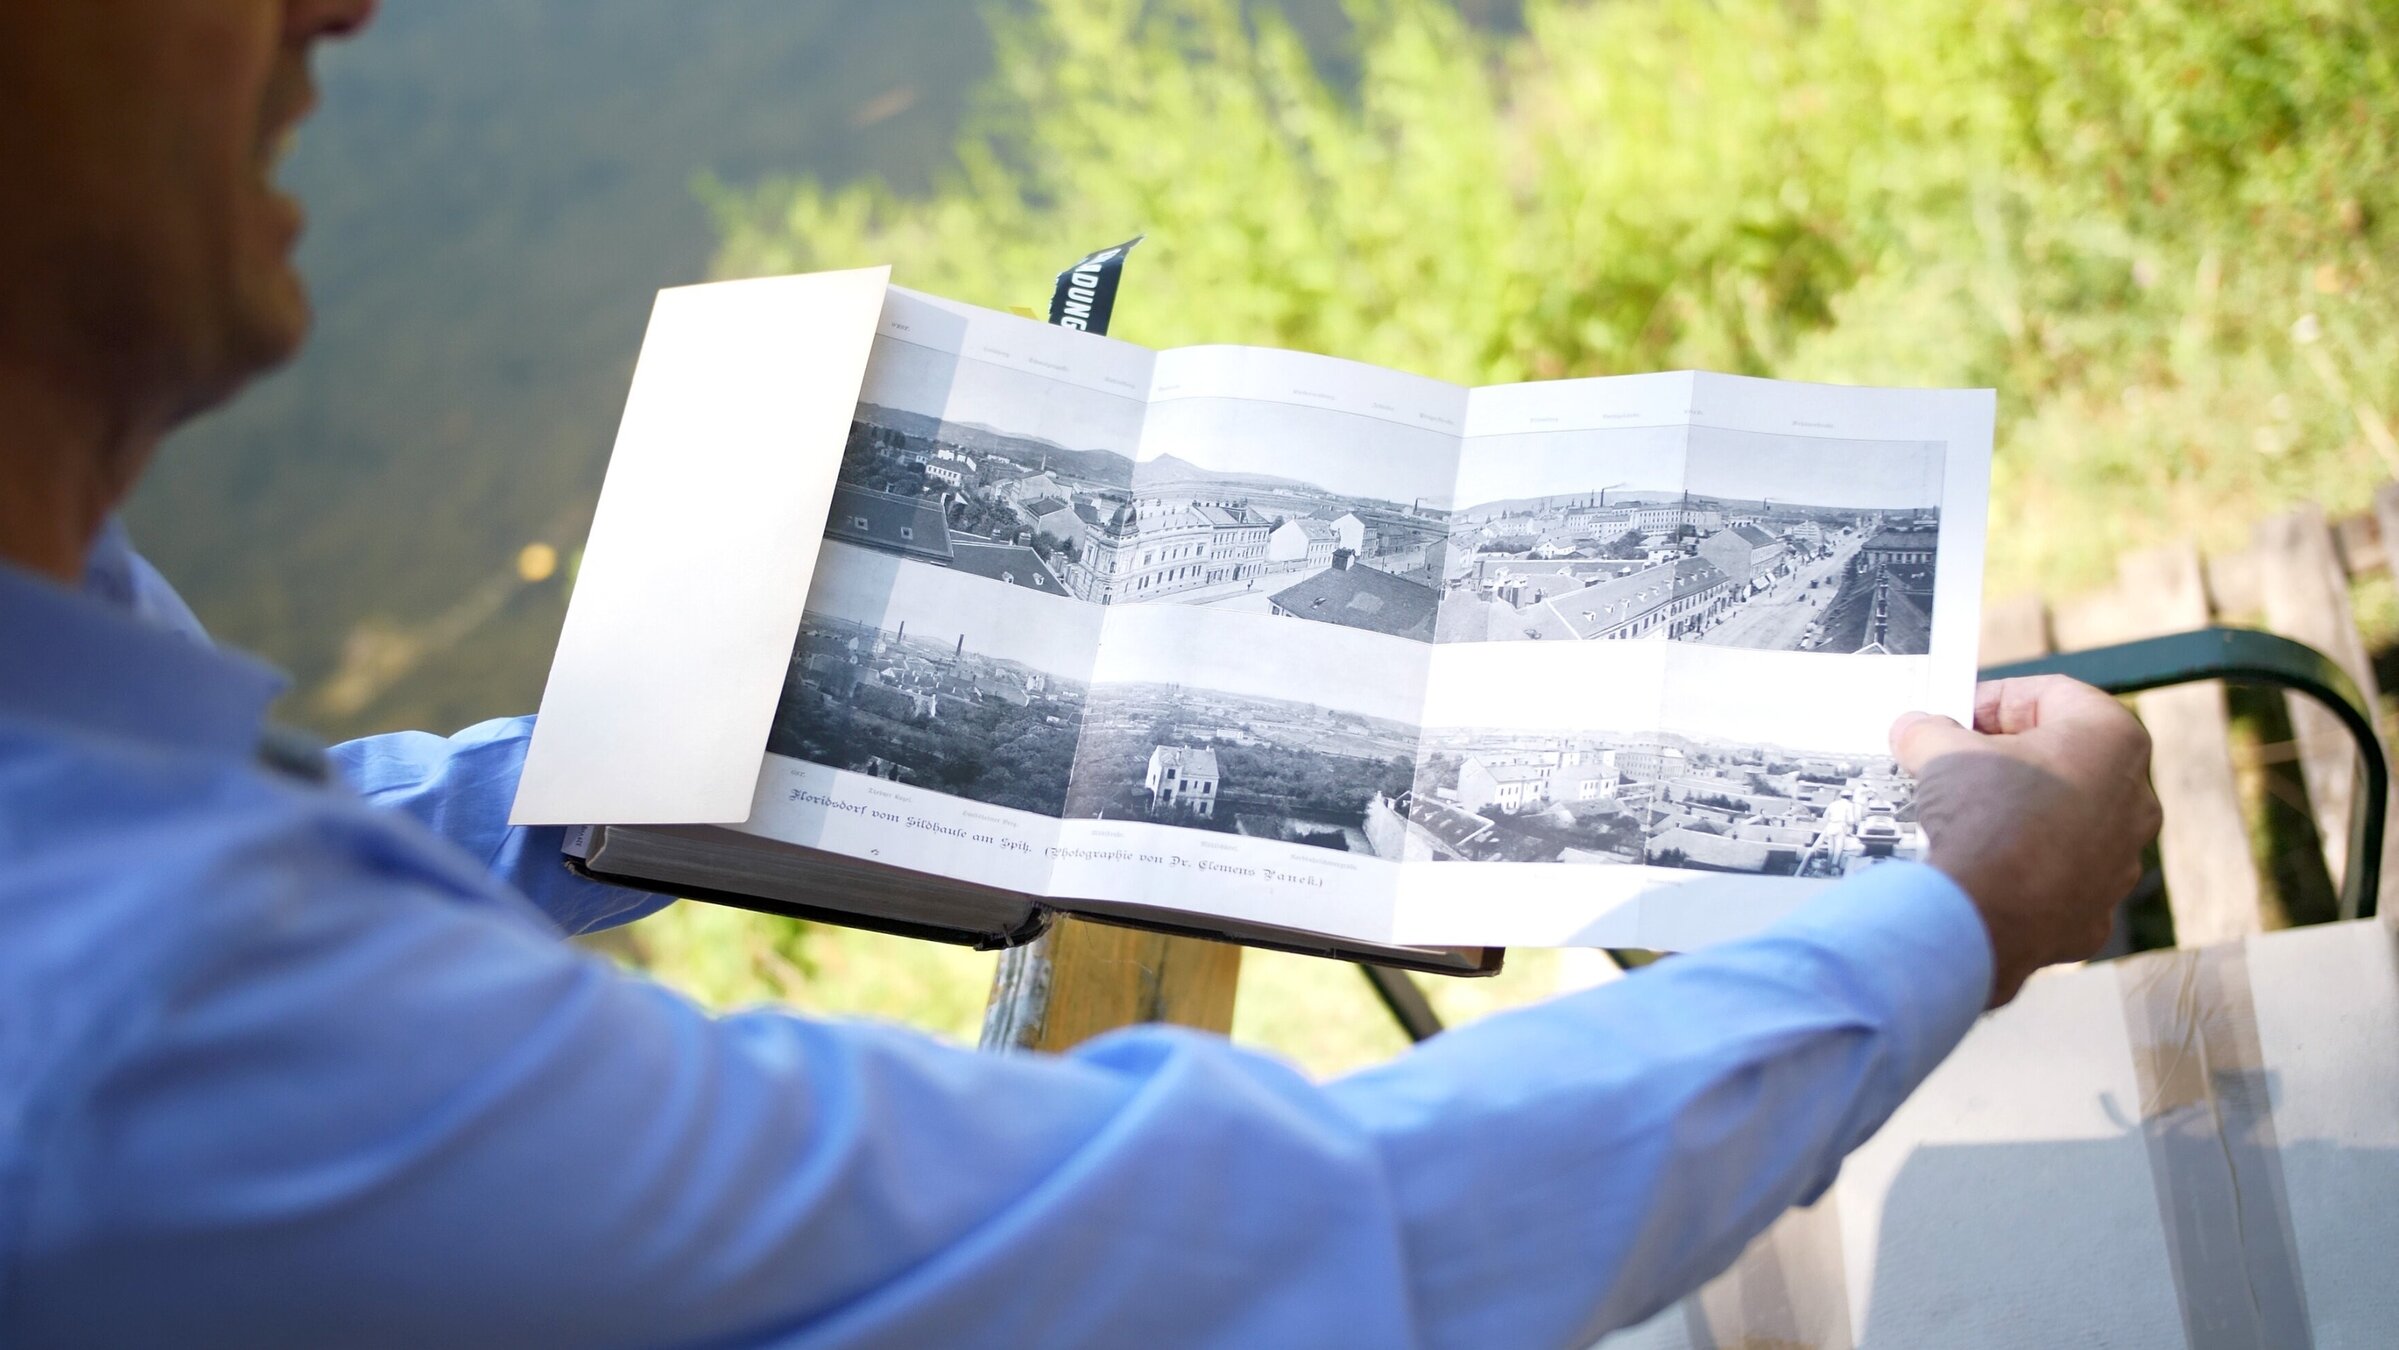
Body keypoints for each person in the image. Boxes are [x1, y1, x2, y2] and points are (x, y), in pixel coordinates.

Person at [0, 3, 2162, 1347]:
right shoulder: (141, 1013)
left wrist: (698, 747)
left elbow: (330, 843)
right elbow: (1223, 1256)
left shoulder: (67, 643)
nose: (340, 10)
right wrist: (1946, 914)